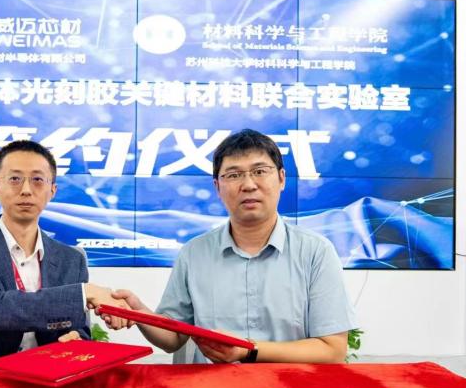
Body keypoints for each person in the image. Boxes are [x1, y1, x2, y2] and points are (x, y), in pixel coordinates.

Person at [103, 129, 356, 364]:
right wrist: (140, 313)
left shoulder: (315, 252)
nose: (248, 184)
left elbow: (332, 349)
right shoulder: (194, 253)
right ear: (217, 187)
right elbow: (173, 337)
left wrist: (249, 350)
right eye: (234, 175)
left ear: (281, 179)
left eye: (260, 171)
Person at [0, 140, 122, 362]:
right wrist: (84, 293)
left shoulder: (72, 259)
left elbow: (78, 329)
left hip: (48, 373)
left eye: (37, 180)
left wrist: (75, 339)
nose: (26, 190)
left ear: (52, 190)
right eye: (15, 179)